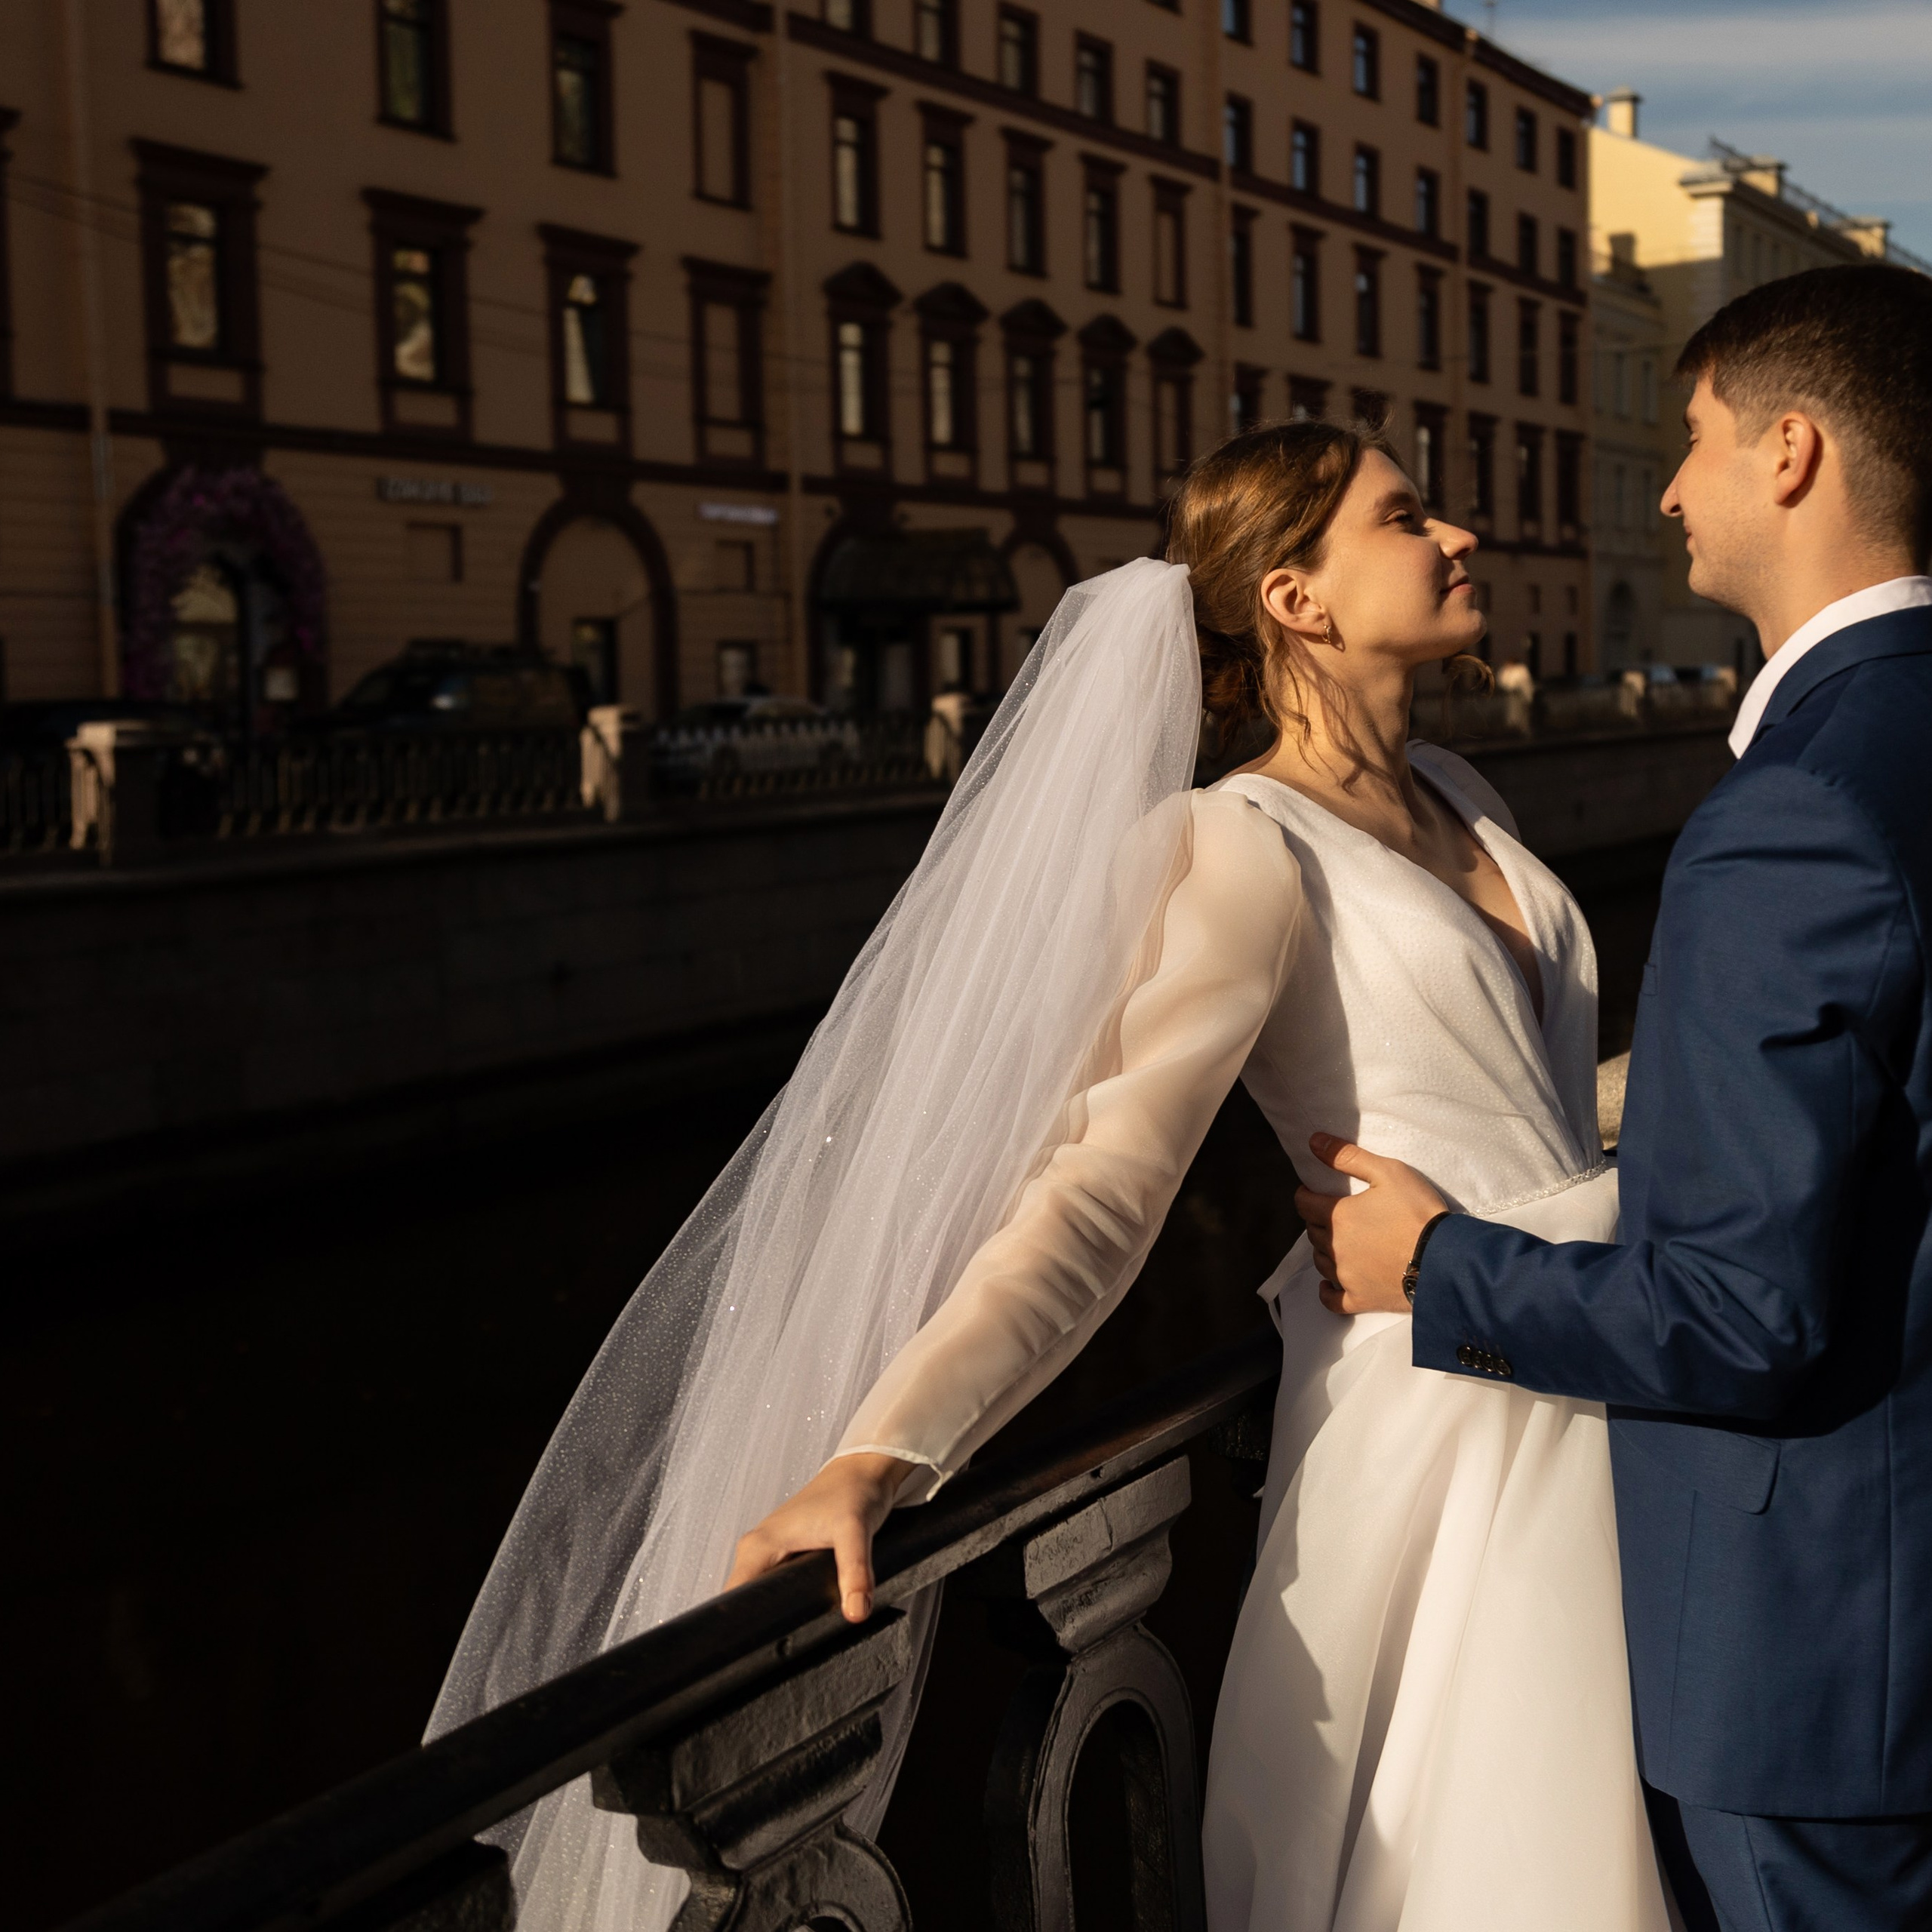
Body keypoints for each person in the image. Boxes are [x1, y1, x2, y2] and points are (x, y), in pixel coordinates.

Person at [724, 423, 1672, 1928]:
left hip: (1579, 1360)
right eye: (1405, 515)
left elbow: (1536, 1100)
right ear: (1292, 595)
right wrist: (881, 1452)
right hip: (1437, 1420)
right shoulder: (1236, 844)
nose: (1457, 538)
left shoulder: (1461, 787)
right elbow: (1101, 1188)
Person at [1304, 263, 1932, 1930]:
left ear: (1789, 453)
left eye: (1694, 437)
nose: (1664, 486)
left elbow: (1737, 1310)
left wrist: (1433, 1268)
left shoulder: (1792, 808)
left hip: (1819, 1670)